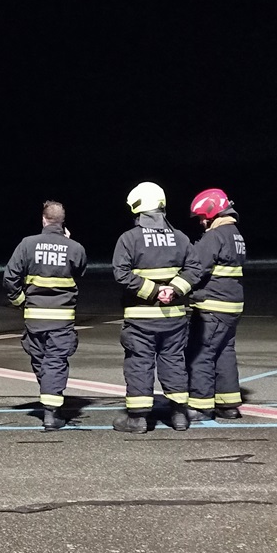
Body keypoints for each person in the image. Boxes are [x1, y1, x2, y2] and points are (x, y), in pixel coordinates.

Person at [111, 182, 196, 433]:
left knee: (139, 363)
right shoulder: (180, 237)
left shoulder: (129, 239)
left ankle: (137, 420)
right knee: (173, 361)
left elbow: (121, 274)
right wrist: (174, 290)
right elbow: (195, 269)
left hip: (140, 318)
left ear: (138, 207)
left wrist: (154, 292)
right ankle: (179, 415)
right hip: (174, 317)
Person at [2, 200, 87, 431]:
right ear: (62, 222)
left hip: (35, 317)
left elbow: (10, 277)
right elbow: (79, 270)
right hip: (62, 317)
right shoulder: (76, 247)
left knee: (40, 360)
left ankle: (49, 404)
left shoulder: (27, 245)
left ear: (43, 219)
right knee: (56, 362)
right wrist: (67, 243)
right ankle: (52, 411)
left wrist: (20, 301)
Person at [184, 188, 247, 421]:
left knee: (201, 354)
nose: (201, 222)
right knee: (225, 353)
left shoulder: (214, 236)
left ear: (212, 211)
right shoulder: (236, 234)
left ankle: (200, 406)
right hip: (232, 305)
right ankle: (228, 405)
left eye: (202, 216)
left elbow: (195, 268)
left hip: (213, 305)